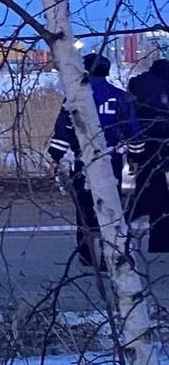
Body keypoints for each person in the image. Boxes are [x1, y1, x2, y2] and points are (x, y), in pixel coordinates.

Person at [46, 52, 144, 266]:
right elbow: (133, 130)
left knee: (84, 209)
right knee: (112, 207)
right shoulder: (119, 96)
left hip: (83, 161)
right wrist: (136, 157)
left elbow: (63, 131)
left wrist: (55, 159)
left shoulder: (75, 98)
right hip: (112, 160)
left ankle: (86, 254)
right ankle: (112, 254)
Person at [127, 52, 169, 252]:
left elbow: (131, 114)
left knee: (148, 184)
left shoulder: (138, 83)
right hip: (164, 142)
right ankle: (159, 241)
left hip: (143, 142)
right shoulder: (164, 85)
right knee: (160, 194)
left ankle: (135, 209)